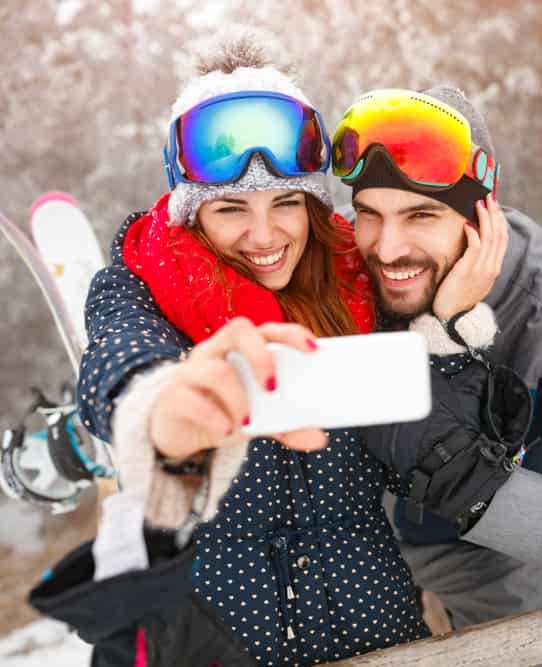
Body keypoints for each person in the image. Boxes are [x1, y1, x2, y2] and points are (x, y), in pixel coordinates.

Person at [63, 28, 509, 665]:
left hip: (372, 631)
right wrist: (163, 403)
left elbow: (430, 454)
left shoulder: (354, 285)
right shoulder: (141, 285)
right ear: (192, 214)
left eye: (286, 204)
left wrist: (451, 322)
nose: (265, 235)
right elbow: (118, 359)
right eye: (232, 210)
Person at [328, 87, 542, 641]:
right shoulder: (338, 257)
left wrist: (454, 335)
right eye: (369, 214)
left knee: (521, 643)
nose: (386, 248)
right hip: (353, 526)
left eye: (421, 215)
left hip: (484, 540)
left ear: (481, 216)